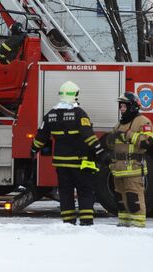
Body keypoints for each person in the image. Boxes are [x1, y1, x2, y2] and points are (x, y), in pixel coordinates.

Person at [31, 81, 102, 225]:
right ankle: (86, 222)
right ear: (75, 95)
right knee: (85, 191)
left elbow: (41, 137)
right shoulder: (79, 113)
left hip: (61, 162)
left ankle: (68, 221)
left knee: (65, 192)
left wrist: (33, 149)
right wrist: (100, 150)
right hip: (79, 161)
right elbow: (88, 135)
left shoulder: (51, 115)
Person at [105, 92, 153, 228]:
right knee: (120, 199)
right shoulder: (118, 124)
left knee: (134, 198)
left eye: (123, 106)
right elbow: (110, 145)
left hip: (134, 168)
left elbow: (147, 142)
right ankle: (124, 223)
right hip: (118, 170)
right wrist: (110, 139)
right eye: (120, 106)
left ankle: (137, 225)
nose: (121, 109)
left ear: (132, 106)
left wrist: (128, 135)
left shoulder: (143, 121)